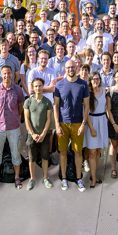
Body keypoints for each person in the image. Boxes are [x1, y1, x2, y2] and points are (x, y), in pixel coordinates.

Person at [0, 64, 28, 190]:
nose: (6, 75)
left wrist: (14, 117)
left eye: (9, 73)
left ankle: (17, 177)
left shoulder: (17, 90)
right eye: (4, 73)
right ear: (1, 75)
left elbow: (20, 107)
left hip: (13, 127)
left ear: (12, 74)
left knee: (15, 153)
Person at [53, 58, 89, 191]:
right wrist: (57, 124)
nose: (70, 69)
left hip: (78, 123)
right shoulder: (59, 85)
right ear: (65, 69)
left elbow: (86, 106)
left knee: (78, 152)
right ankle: (64, 178)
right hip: (63, 123)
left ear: (77, 68)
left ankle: (79, 178)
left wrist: (84, 124)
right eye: (68, 67)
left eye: (73, 67)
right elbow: (56, 106)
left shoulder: (83, 84)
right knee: (62, 152)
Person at [83, 71, 109, 188]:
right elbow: (86, 113)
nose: (96, 81)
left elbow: (107, 108)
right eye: (93, 79)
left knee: (98, 151)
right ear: (90, 80)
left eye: (97, 78)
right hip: (91, 122)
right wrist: (92, 129)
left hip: (102, 121)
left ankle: (93, 174)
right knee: (92, 153)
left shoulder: (104, 91)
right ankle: (93, 178)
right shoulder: (87, 93)